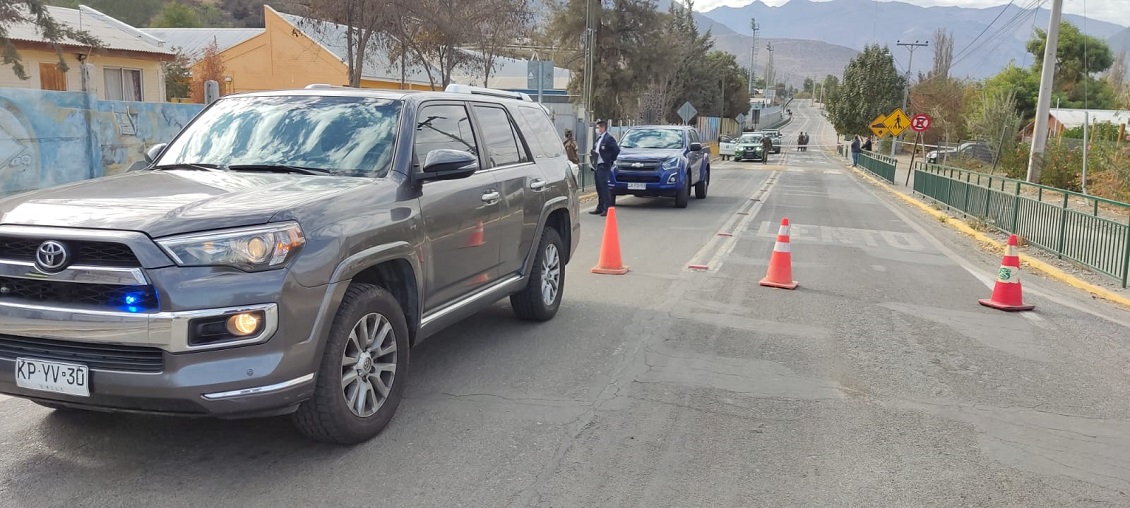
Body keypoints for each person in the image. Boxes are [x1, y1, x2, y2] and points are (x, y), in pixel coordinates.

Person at [590, 120, 619, 216]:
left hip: (603, 165)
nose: (597, 129)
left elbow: (616, 150)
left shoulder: (608, 138)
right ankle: (600, 207)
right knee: (599, 187)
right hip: (597, 166)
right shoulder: (599, 139)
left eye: (598, 127)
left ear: (603, 128)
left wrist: (610, 160)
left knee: (604, 187)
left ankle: (608, 208)